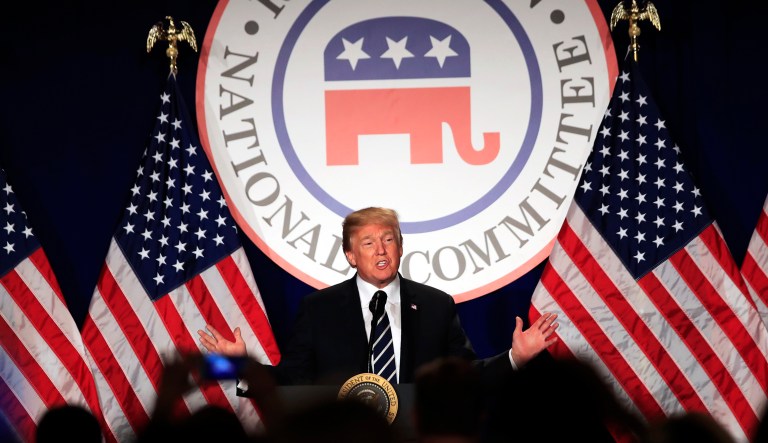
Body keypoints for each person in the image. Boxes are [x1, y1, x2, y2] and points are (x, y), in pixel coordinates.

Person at [198, 207, 559, 386]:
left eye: (389, 239)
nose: (381, 249)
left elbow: (462, 377)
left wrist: (515, 357)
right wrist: (238, 366)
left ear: (400, 248)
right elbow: (293, 380)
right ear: (351, 256)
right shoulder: (319, 309)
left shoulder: (436, 306)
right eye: (368, 243)